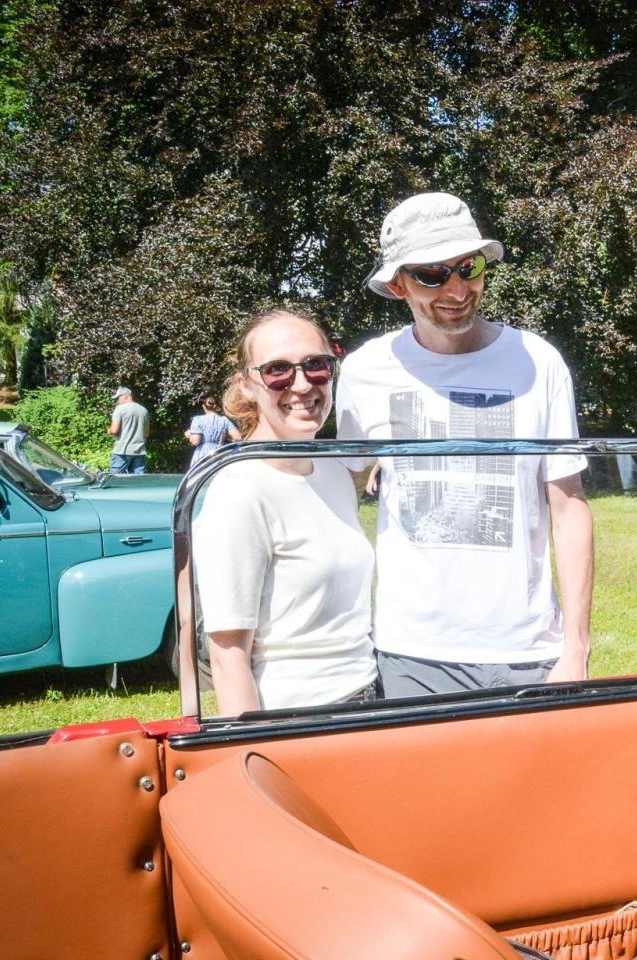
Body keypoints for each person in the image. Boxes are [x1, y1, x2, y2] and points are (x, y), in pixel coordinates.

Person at [337, 191, 593, 697]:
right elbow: (338, 496)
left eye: (468, 266)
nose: (456, 288)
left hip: (530, 651)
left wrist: (576, 649)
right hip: (410, 650)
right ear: (397, 283)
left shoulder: (537, 362)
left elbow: (570, 510)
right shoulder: (366, 370)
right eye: (431, 274)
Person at [193, 310, 377, 716]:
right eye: (278, 370)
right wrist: (256, 749)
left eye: (316, 365)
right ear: (247, 386)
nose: (301, 383)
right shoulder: (238, 491)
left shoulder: (330, 471)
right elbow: (228, 658)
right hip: (297, 719)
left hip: (366, 700)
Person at [184, 394, 240, 468]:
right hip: (219, 452)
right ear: (215, 407)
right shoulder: (224, 420)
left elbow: (195, 441)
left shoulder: (198, 419)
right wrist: (224, 438)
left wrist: (189, 435)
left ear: (204, 407)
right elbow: (238, 437)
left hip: (202, 455)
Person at [107, 386, 150, 474]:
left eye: (118, 398)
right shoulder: (144, 410)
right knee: (138, 481)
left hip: (122, 451)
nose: (118, 401)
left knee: (114, 478)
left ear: (125, 396)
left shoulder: (120, 409)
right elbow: (147, 433)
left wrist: (109, 430)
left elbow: (114, 430)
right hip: (139, 451)